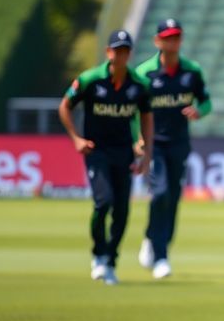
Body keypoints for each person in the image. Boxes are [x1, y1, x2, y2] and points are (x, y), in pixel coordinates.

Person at [58, 29, 153, 286]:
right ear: (108, 52)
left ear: (129, 54)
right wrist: (76, 138)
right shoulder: (91, 80)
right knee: (103, 203)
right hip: (96, 150)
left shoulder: (138, 85)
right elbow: (65, 106)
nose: (120, 55)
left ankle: (111, 260)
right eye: (116, 50)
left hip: (123, 152)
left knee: (122, 210)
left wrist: (145, 150)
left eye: (125, 51)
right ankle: (98, 255)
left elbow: (146, 117)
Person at [135, 19, 212, 280]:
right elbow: (134, 110)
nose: (172, 42)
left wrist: (198, 111)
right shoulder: (145, 73)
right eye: (167, 37)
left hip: (179, 142)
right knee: (160, 193)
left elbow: (207, 102)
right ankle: (161, 257)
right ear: (157, 41)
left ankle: (154, 238)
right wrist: (138, 138)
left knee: (173, 196)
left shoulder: (191, 71)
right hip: (153, 143)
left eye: (176, 37)